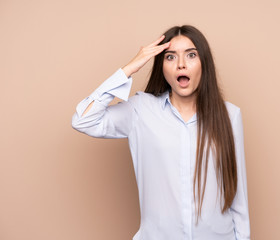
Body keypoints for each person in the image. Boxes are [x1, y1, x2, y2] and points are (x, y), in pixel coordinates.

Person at [72, 25, 250, 240]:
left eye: (191, 55)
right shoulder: (141, 110)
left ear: (204, 63)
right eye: (170, 57)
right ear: (161, 66)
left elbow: (238, 199)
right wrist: (129, 69)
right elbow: (84, 120)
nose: (181, 64)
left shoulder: (229, 115)